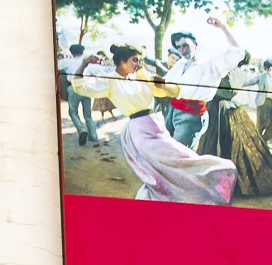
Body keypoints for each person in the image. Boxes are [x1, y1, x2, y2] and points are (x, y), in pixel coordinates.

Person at [73, 46, 236, 204]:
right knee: (170, 163)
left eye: (138, 60)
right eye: (134, 60)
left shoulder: (141, 76)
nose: (137, 64)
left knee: (179, 159)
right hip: (139, 130)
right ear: (122, 61)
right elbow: (81, 86)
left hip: (156, 125)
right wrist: (85, 63)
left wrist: (162, 84)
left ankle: (194, 190)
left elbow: (168, 91)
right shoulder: (109, 81)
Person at [199, 58, 272, 198]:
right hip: (230, 105)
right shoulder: (240, 73)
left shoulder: (226, 72)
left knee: (215, 143)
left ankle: (215, 180)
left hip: (217, 107)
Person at [163, 19, 243, 149]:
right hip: (173, 111)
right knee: (166, 148)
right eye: (179, 47)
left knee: (178, 153)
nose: (182, 50)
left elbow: (235, 53)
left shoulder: (209, 63)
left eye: (185, 46)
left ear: (195, 44)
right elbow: (166, 81)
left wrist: (223, 27)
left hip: (192, 116)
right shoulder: (180, 64)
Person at [55, 44, 99, 146]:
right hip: (86, 87)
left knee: (73, 112)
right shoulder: (87, 63)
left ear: (71, 52)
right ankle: (93, 135)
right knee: (88, 114)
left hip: (74, 87)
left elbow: (55, 65)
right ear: (82, 52)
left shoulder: (67, 62)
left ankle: (81, 129)